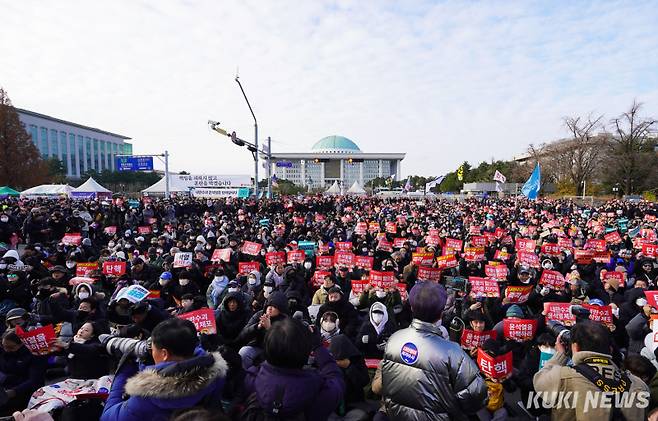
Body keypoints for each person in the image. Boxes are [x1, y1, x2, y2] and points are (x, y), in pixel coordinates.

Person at [375, 281, 487, 420]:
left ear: (411, 308)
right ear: (440, 314)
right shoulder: (453, 352)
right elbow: (476, 398)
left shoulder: (394, 339)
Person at [101, 318, 228, 421]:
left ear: (164, 353)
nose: (150, 351)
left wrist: (123, 371)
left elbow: (108, 416)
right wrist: (151, 368)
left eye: (153, 348)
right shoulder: (214, 373)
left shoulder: (145, 398)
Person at [534, 320, 649, 420]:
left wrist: (561, 354)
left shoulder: (563, 378)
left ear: (575, 347)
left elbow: (539, 380)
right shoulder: (639, 385)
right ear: (610, 349)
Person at [242, 317, 345, 420]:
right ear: (304, 352)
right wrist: (318, 346)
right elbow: (335, 379)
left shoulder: (252, 378)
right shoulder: (317, 388)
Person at [0, 329, 47, 416]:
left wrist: (14, 391)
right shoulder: (3, 351)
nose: (6, 350)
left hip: (26, 391)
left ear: (22, 344)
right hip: (6, 386)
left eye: (11, 347)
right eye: (3, 346)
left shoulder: (35, 354)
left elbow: (35, 380)